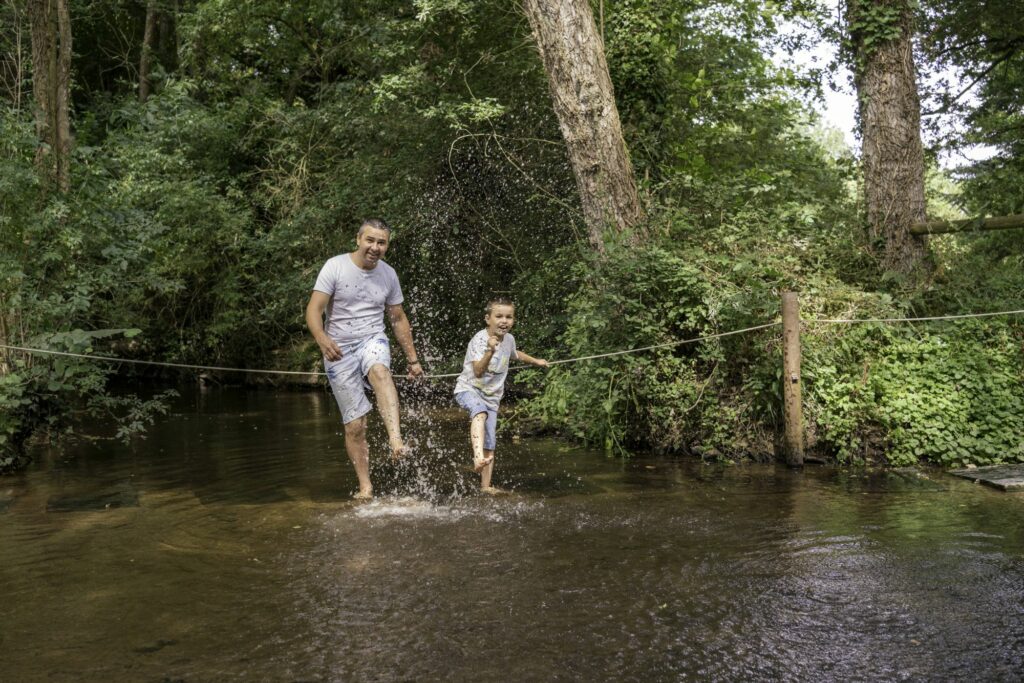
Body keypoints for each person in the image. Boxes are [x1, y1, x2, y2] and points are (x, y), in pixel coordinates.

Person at [305, 218, 424, 499]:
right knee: (356, 425)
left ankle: (396, 441)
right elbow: (314, 309)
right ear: (358, 240)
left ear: (387, 246)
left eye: (381, 242)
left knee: (380, 371)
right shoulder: (335, 266)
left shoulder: (388, 274)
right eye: (370, 240)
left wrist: (413, 359)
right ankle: (365, 486)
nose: (375, 247)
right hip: (339, 349)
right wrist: (322, 340)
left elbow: (396, 318)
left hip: (372, 338)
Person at [453, 296, 548, 493]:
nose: (504, 321)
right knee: (479, 412)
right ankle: (477, 457)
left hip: (492, 398)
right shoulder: (478, 341)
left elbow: (515, 353)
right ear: (488, 319)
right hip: (468, 389)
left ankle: (485, 486)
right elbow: (478, 371)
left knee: (490, 442)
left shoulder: (509, 339)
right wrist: (489, 351)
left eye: (509, 317)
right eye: (499, 316)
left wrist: (536, 361)